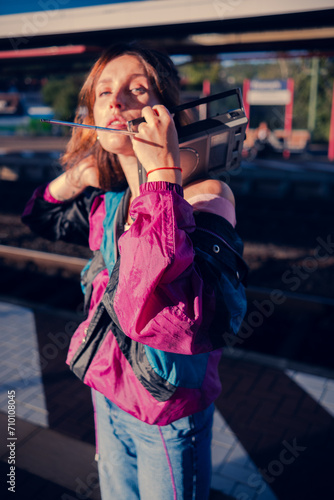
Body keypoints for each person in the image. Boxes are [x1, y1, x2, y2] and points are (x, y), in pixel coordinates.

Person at [22, 43, 247, 500]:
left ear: (166, 109)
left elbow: (175, 321)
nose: (116, 100)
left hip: (164, 416)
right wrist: (80, 175)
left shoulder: (205, 195)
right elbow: (39, 218)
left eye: (136, 89)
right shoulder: (106, 202)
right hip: (106, 395)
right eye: (103, 91)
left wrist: (162, 172)